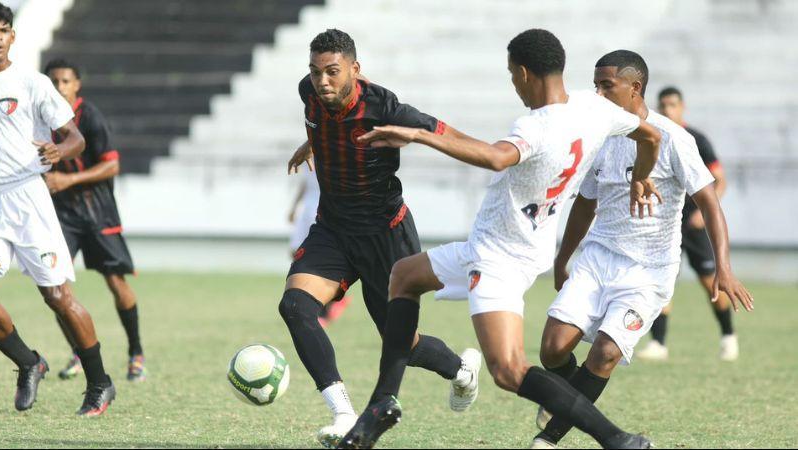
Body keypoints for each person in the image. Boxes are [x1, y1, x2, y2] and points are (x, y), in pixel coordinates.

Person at [340, 29, 663, 449]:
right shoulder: (595, 108)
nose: (514, 86)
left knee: (509, 370)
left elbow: (495, 157)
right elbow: (651, 136)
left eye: (513, 76)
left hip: (498, 257)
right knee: (404, 275)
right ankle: (382, 403)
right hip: (515, 246)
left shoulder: (536, 124)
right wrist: (641, 175)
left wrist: (418, 135)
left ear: (525, 73)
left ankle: (617, 439)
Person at [530, 50, 754, 449]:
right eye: (595, 84)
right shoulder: (601, 134)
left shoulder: (675, 139)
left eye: (606, 85)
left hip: (648, 270)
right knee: (551, 350)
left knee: (604, 354)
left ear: (635, 88)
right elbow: (585, 203)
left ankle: (548, 437)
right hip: (598, 258)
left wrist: (724, 266)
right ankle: (573, 398)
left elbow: (709, 201)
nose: (597, 92)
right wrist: (563, 259)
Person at [282, 29, 482, 448]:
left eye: (333, 72)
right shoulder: (310, 93)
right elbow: (325, 122)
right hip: (333, 229)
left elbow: (448, 135)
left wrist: (506, 154)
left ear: (355, 69)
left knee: (402, 345)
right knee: (295, 306)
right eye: (316, 72)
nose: (323, 81)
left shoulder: (385, 107)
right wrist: (311, 142)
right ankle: (343, 414)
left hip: (386, 237)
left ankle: (461, 369)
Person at [0, 1, 115, 416]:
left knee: (57, 296)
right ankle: (29, 362)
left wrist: (59, 149)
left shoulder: (33, 83)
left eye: (4, 30)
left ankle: (100, 382)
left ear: (13, 36)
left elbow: (75, 138)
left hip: (28, 198)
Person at [43, 58, 146, 382]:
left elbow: (111, 166)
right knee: (54, 282)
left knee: (116, 281)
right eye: (54, 81)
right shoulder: (39, 117)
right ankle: (79, 350)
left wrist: (67, 181)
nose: (59, 87)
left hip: (96, 208)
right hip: (61, 213)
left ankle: (136, 352)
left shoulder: (90, 117)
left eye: (65, 81)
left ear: (77, 85)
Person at [635, 86, 738, 361]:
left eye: (672, 104)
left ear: (682, 108)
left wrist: (703, 212)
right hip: (666, 223)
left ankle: (728, 336)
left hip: (694, 224)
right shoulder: (654, 136)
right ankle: (658, 343)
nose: (668, 109)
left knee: (708, 281)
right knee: (663, 280)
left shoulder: (696, 140)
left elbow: (720, 179)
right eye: (663, 105)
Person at [288, 168, 350, 328]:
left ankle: (324, 307)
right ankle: (319, 300)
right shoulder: (310, 151)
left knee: (319, 258)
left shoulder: (332, 151)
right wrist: (295, 206)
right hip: (308, 207)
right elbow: (305, 182)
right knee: (295, 253)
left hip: (323, 207)